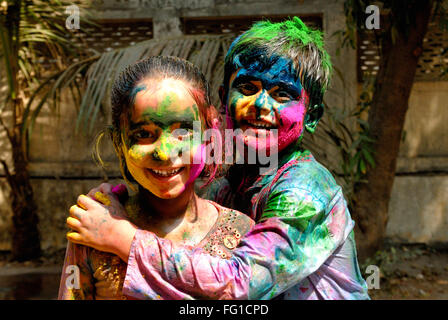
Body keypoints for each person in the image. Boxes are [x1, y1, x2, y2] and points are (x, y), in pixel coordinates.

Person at [67, 17, 370, 300]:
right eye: (248, 88)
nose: (260, 105)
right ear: (225, 99)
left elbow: (237, 284)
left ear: (312, 116)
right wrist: (116, 201)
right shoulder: (231, 185)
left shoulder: (305, 190)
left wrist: (122, 236)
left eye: (282, 94)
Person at [58, 56, 254, 300]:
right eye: (143, 134)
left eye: (183, 132)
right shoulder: (92, 229)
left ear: (210, 134)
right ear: (119, 143)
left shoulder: (242, 234)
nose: (164, 153)